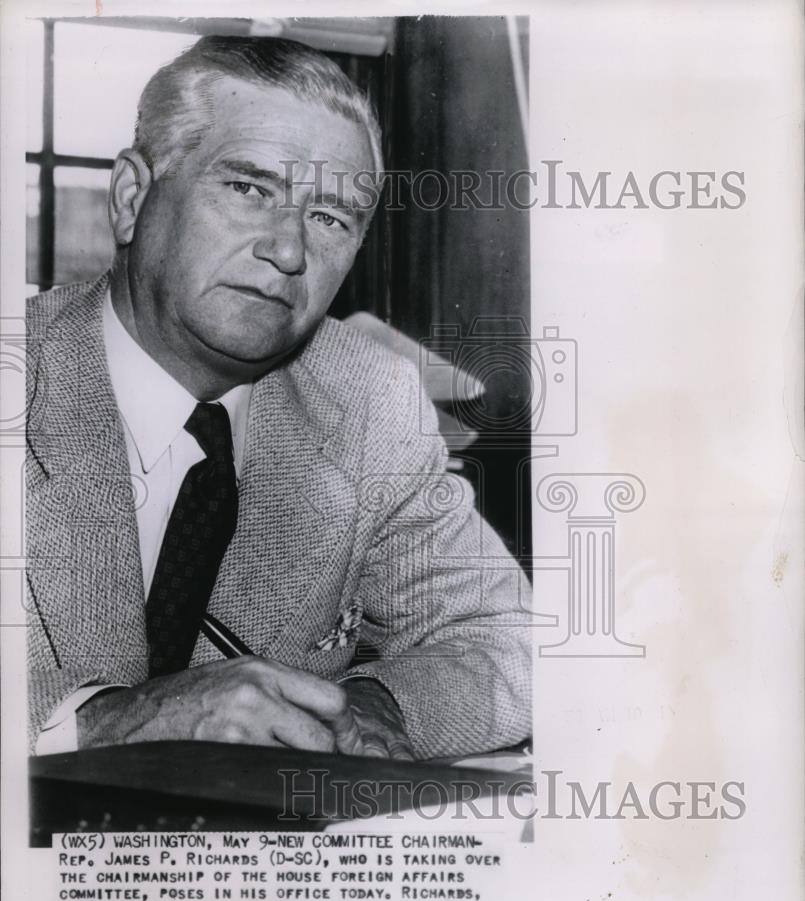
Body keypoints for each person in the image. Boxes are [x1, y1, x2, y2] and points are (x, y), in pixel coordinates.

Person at [26, 35, 532, 762]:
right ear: (132, 197)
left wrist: (372, 706)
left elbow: (506, 640)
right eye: (248, 189)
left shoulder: (368, 397)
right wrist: (100, 725)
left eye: (330, 218)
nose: (289, 251)